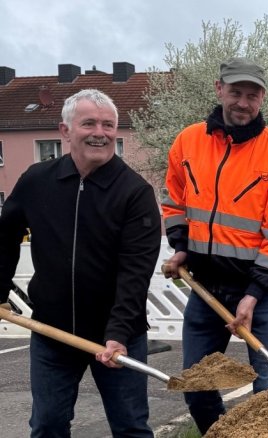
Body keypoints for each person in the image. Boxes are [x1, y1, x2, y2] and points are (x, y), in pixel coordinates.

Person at [0, 89, 162, 436]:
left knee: (131, 427)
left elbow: (136, 271)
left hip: (116, 335)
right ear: (65, 131)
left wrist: (118, 333)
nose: (100, 133)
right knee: (48, 425)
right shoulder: (36, 180)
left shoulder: (134, 193)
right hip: (53, 332)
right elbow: (4, 237)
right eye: (88, 123)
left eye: (108, 125)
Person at [160, 57, 268, 434]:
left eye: (252, 95)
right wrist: (182, 247)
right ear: (219, 89)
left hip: (262, 294)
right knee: (198, 390)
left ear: (263, 99)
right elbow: (175, 203)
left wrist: (254, 294)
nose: (243, 103)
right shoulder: (187, 143)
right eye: (236, 92)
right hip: (205, 290)